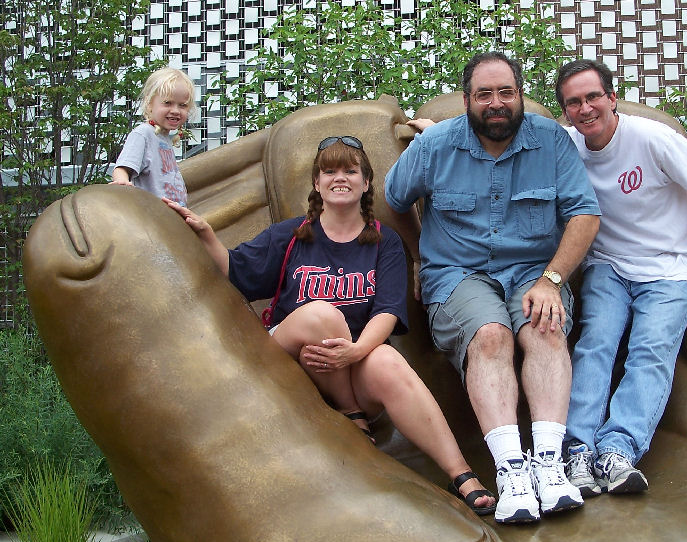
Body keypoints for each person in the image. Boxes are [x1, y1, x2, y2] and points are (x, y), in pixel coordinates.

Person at [166, 136, 497, 516]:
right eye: (329, 171)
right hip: (292, 365)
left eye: (350, 171)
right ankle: (351, 413)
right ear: (317, 183)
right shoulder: (292, 234)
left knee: (387, 359)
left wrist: (355, 351)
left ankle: (462, 476)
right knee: (322, 314)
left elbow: (387, 312)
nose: (340, 178)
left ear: (366, 182)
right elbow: (234, 270)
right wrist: (206, 233)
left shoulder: (384, 242)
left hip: (347, 361)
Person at [384, 51, 601, 525]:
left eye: (506, 92)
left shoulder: (552, 143)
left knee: (544, 328)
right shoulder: (436, 145)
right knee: (491, 335)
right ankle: (512, 473)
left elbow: (585, 215)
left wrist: (552, 279)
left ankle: (549, 464)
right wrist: (420, 255)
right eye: (485, 94)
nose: (496, 102)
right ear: (468, 100)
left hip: (533, 273)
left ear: (521, 95)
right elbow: (394, 198)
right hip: (458, 273)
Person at [555, 59, 687, 496]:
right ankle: (578, 449)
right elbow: (509, 134)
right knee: (595, 343)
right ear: (565, 111)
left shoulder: (654, 139)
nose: (585, 109)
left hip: (669, 268)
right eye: (574, 102)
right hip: (609, 265)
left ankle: (619, 449)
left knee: (650, 351)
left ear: (611, 98)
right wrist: (433, 131)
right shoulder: (566, 144)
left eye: (593, 97)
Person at [112, 67, 193, 206]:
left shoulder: (163, 138)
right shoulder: (143, 133)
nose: (175, 110)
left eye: (182, 105)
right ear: (149, 103)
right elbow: (122, 168)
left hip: (171, 217)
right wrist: (122, 184)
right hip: (153, 215)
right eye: (167, 103)